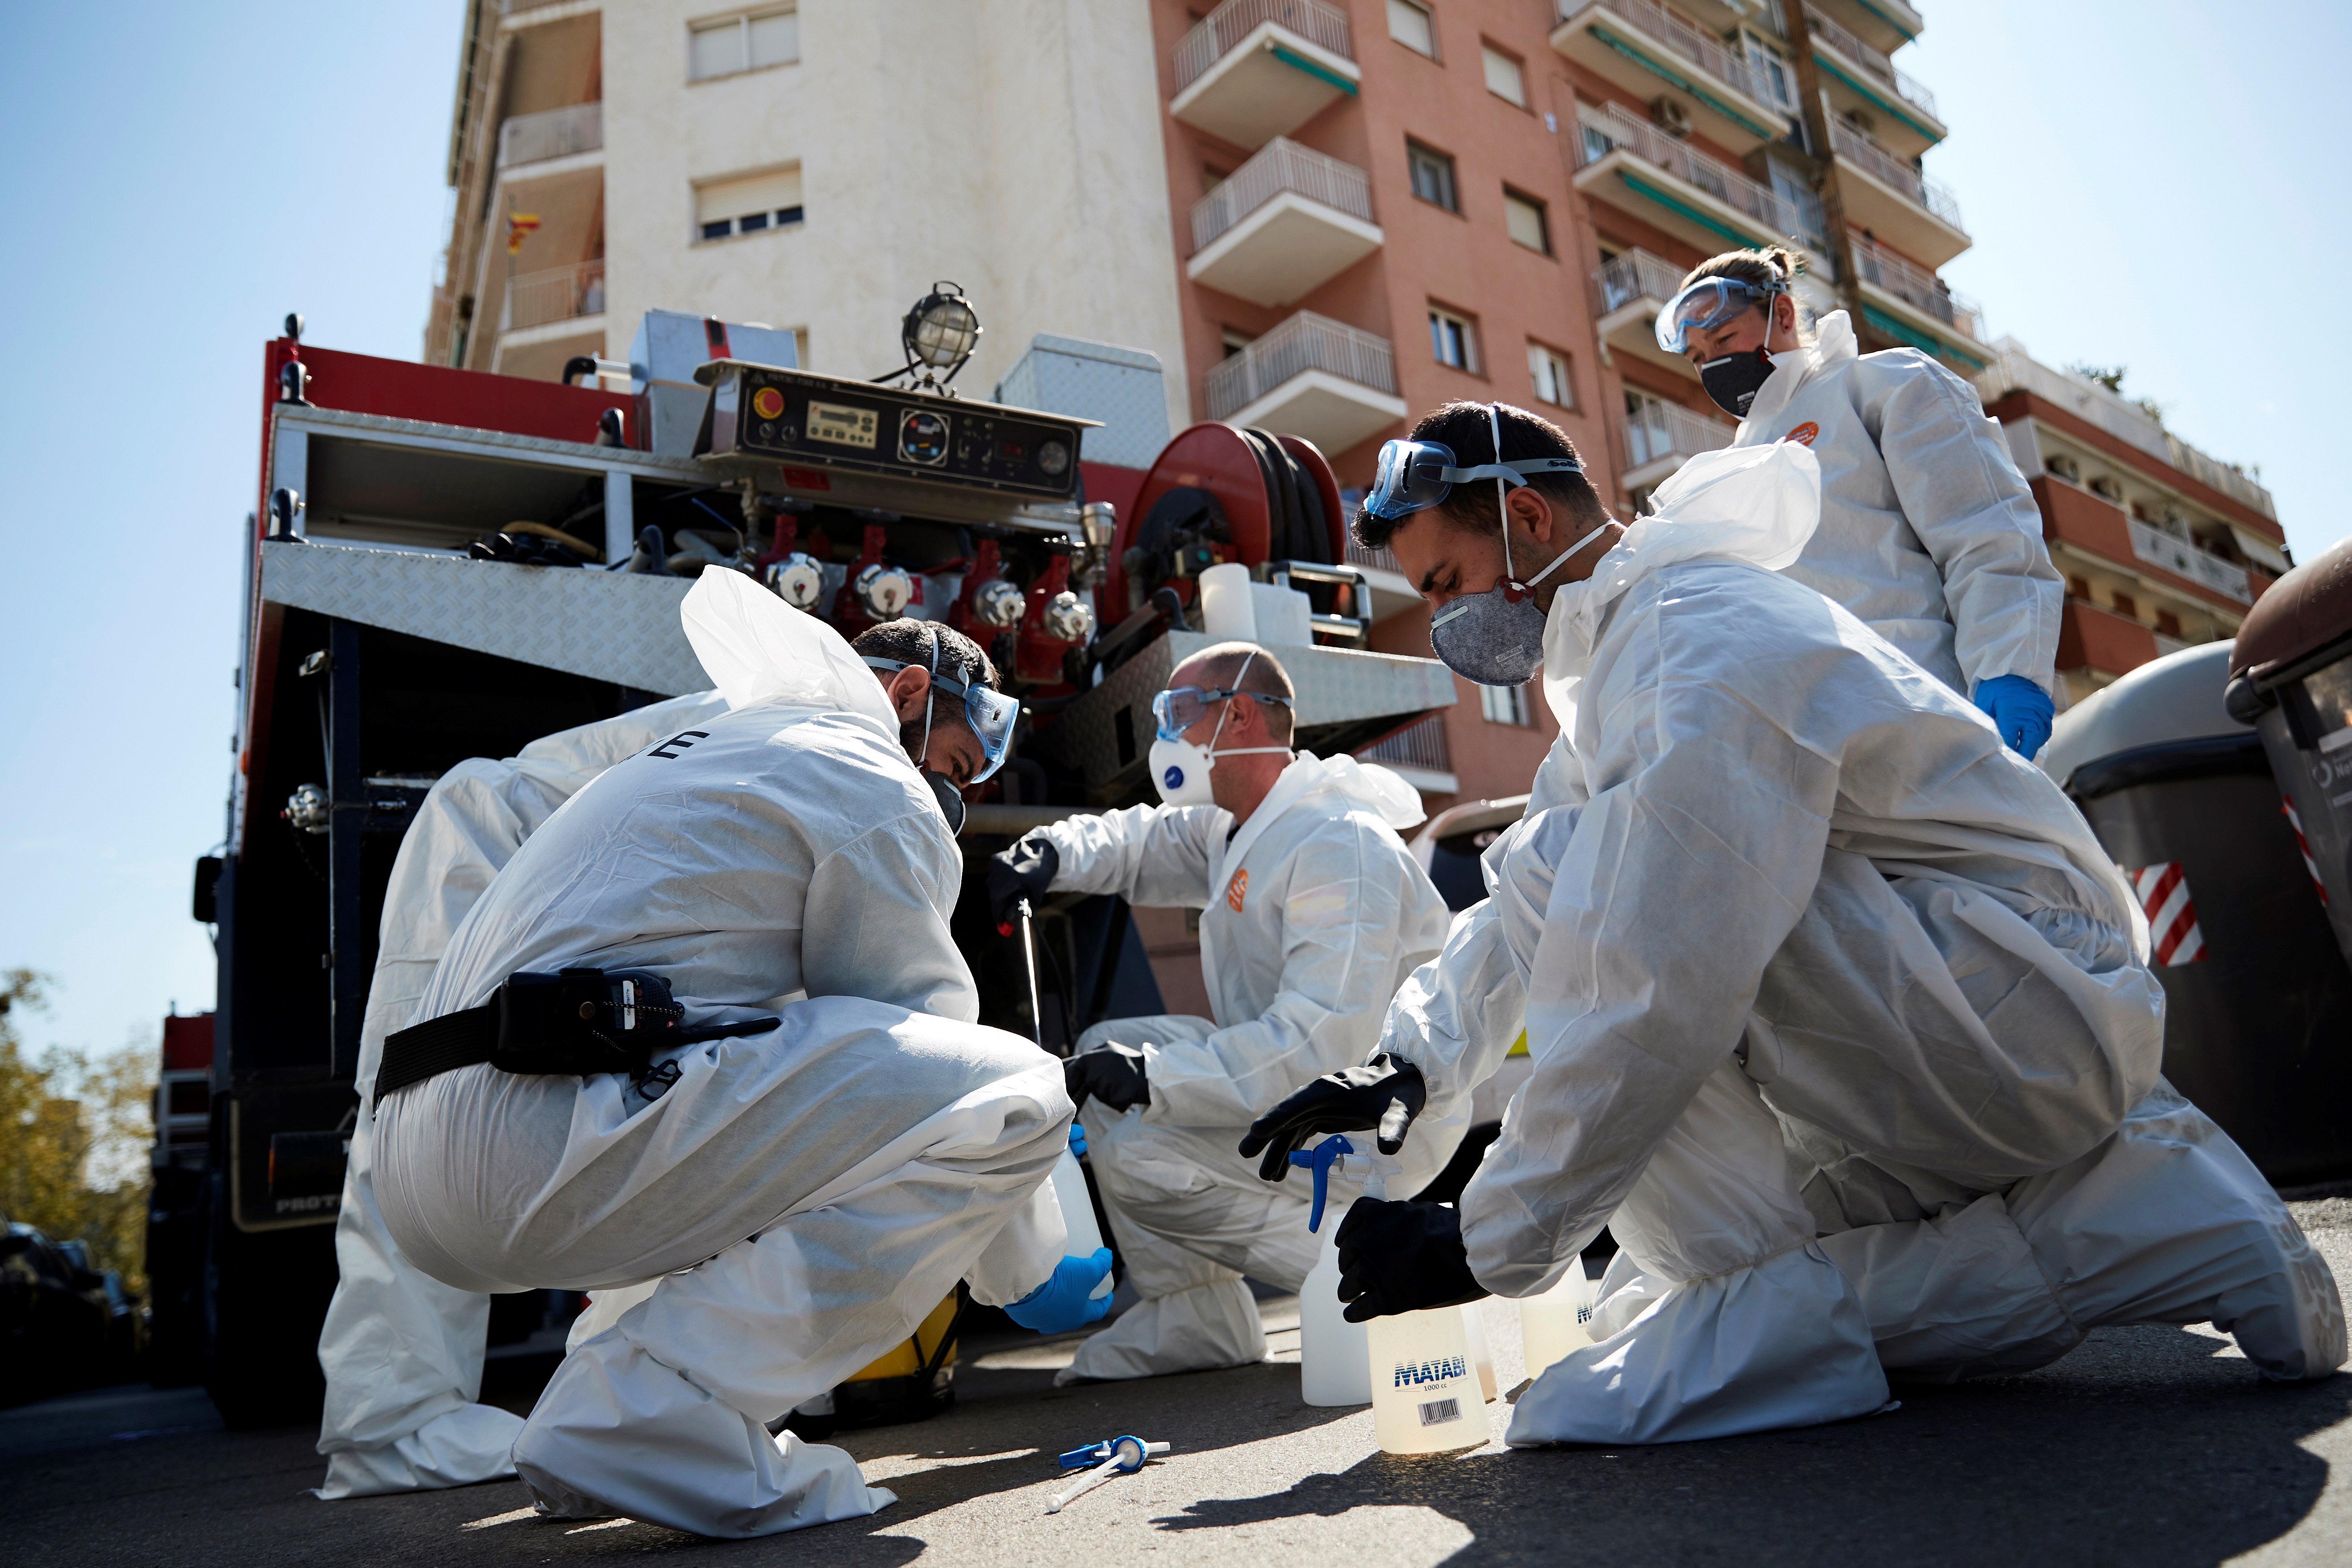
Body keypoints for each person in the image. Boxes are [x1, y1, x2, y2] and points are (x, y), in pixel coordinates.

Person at [1243, 401, 2344, 1445]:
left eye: (1449, 580)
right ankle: (2106, 1213)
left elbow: (1650, 976)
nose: (1449, 620)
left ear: (1526, 519)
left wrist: (1481, 1245)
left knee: (1623, 918)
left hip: (2012, 1021)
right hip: (1974, 998)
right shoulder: (1640, 641)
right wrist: (1407, 1063)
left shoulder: (1689, 646)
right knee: (1580, 866)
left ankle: (2130, 1230)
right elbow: (1538, 891)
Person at [370, 572, 1109, 1538]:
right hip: (538, 1133)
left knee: (743, 1096)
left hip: (424, 1177)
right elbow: (925, 1045)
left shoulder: (712, 747)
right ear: (908, 696)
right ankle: (651, 1418)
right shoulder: (871, 772)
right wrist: (1029, 1259)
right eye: (959, 768)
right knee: (1019, 1092)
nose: (955, 797)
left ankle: (593, 1443)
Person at [985, 641, 1456, 1383]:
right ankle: (1195, 1312)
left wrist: (1157, 1078)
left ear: (1236, 715)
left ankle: (1377, 1268)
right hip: (1291, 1098)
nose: (1164, 735)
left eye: (1176, 713)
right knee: (1116, 1049)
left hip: (1366, 1127)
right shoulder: (1241, 829)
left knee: (1139, 1141)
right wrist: (1049, 850)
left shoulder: (1338, 843)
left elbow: (1320, 1040)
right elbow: (1140, 842)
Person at [315, 688, 730, 1499]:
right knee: (410, 1109)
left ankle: (615, 1403)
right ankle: (389, 1430)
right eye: (957, 761)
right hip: (485, 866)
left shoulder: (787, 704)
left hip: (536, 875)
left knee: (640, 1116)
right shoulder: (811, 728)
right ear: (910, 691)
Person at [1660, 246, 2063, 759]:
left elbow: (1984, 532)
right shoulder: (1731, 473)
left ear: (1781, 315)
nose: (1713, 364)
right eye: (1698, 358)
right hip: (1814, 748)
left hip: (1935, 712)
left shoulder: (1886, 385)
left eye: (1722, 339)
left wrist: (2009, 667)